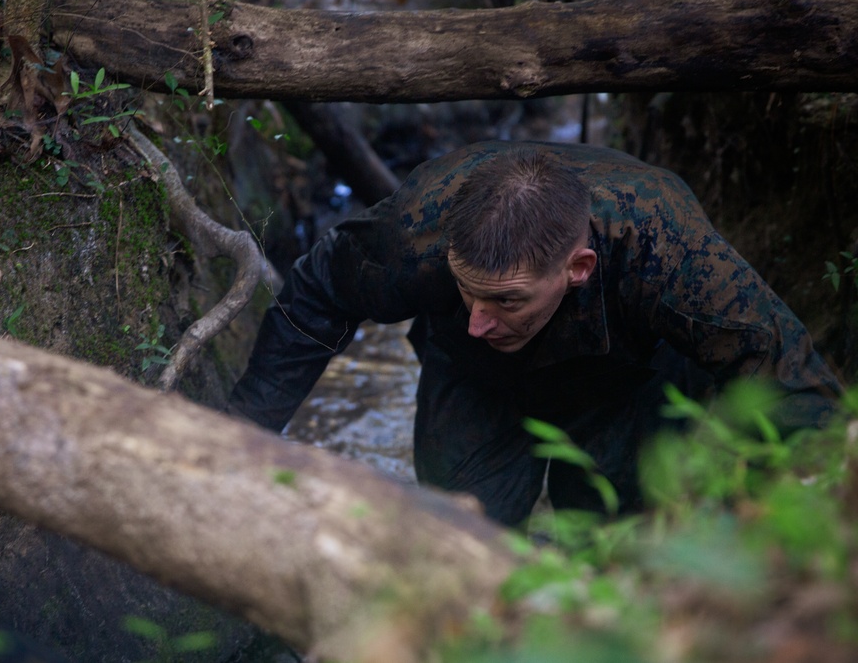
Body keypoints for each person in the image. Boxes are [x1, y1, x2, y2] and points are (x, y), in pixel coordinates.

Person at [228, 141, 841, 526]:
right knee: (461, 541)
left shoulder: (666, 248)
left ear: (578, 269)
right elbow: (316, 295)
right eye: (468, 289)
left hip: (625, 386)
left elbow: (785, 378)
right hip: (473, 379)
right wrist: (243, 437)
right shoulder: (415, 236)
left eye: (505, 299)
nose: (479, 316)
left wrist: (775, 521)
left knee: (610, 535)